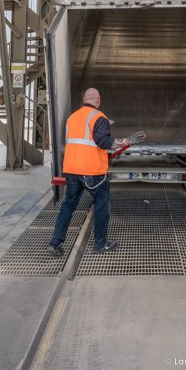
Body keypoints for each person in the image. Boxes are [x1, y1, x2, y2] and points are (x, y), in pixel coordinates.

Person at [48, 87, 145, 255]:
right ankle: (101, 244)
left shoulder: (72, 117)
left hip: (72, 169)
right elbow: (104, 143)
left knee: (68, 204)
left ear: (84, 99)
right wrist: (128, 140)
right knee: (101, 206)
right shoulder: (99, 117)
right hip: (92, 171)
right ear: (98, 100)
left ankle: (55, 242)